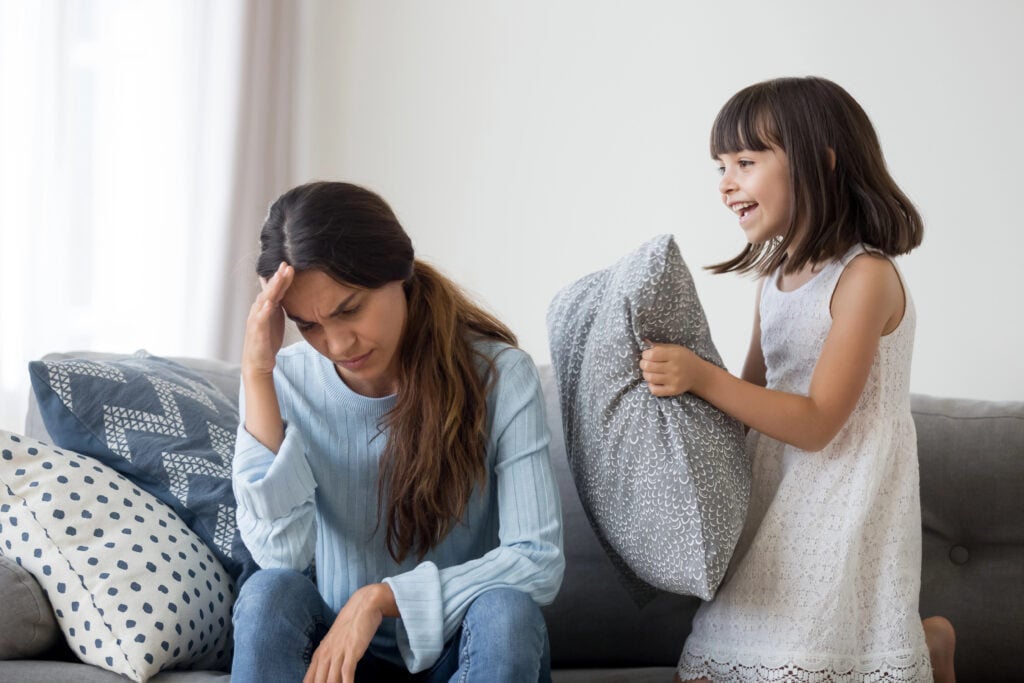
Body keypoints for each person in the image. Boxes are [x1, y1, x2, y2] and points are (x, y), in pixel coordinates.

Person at [636, 77, 957, 683]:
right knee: (706, 668)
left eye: (746, 162)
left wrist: (700, 376)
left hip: (841, 498)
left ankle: (926, 644)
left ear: (822, 163)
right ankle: (926, 640)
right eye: (721, 166)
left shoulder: (866, 278)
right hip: (773, 498)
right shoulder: (776, 279)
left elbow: (815, 423)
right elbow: (751, 397)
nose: (727, 182)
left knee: (814, 661)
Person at [230, 181, 564, 683]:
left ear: (397, 271)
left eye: (349, 309)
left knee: (506, 613)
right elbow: (281, 555)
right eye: (309, 325)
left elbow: (536, 560)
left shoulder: (500, 375)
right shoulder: (283, 380)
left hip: (459, 652)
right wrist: (257, 372)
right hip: (338, 664)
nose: (338, 344)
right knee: (267, 593)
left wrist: (380, 599)